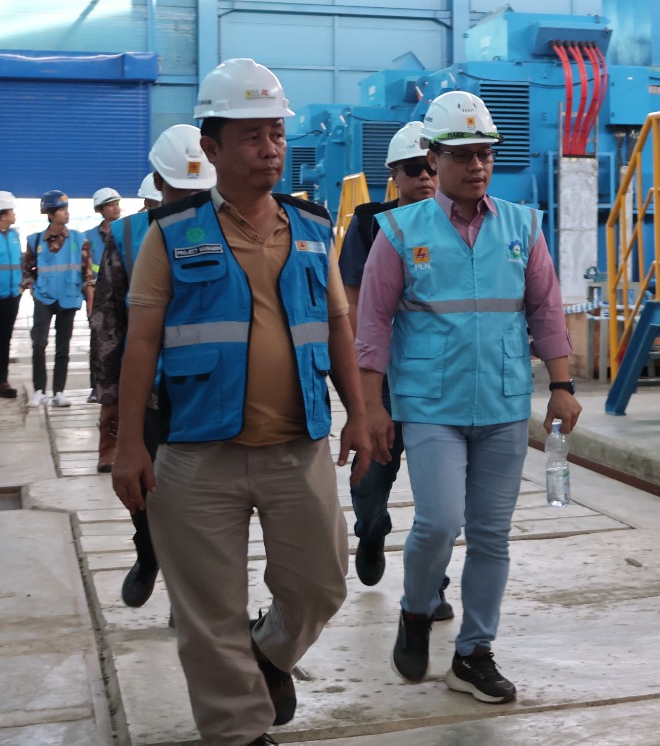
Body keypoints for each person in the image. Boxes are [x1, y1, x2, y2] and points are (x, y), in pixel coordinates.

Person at [111, 58, 382, 746]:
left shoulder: (314, 227)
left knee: (321, 583)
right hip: (198, 451)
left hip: (298, 445)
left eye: (277, 134)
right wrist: (129, 443)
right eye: (253, 136)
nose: (271, 149)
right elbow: (140, 344)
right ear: (212, 147)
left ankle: (267, 654)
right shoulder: (171, 234)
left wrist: (358, 412)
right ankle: (239, 731)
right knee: (209, 610)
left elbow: (339, 325)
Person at [357, 90, 578, 705]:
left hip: (503, 403)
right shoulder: (399, 230)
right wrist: (370, 407)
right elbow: (372, 324)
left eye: (485, 154)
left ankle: (473, 653)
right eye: (462, 155)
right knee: (439, 522)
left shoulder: (521, 225)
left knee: (490, 536)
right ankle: (416, 608)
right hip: (430, 405)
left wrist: (562, 385)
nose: (477, 165)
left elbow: (546, 309)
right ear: (433, 157)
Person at [93, 124, 215, 606]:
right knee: (141, 483)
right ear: (159, 186)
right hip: (147, 392)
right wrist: (111, 397)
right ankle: (147, 553)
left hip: (208, 389)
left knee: (206, 502)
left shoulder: (229, 228)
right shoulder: (127, 235)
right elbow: (107, 320)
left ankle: (191, 600)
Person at [339, 121, 451, 619]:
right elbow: (353, 305)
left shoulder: (460, 226)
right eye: (413, 169)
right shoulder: (370, 226)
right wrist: (364, 392)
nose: (425, 177)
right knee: (371, 477)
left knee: (441, 494)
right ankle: (371, 529)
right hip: (382, 380)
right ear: (394, 175)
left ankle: (432, 586)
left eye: (430, 168)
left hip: (436, 382)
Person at [22, 190, 93, 408]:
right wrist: (33, 289)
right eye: (62, 210)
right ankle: (39, 391)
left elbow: (87, 273)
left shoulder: (80, 240)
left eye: (66, 209)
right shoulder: (35, 241)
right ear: (50, 214)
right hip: (44, 298)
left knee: (63, 347)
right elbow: (27, 269)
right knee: (39, 344)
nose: (66, 213)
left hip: (69, 298)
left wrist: (90, 301)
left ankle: (59, 392)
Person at [88, 187, 122, 409]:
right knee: (98, 341)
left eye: (117, 203)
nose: (115, 208)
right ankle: (96, 388)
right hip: (97, 294)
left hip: (120, 292)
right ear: (100, 210)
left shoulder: (125, 231)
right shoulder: (88, 237)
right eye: (110, 205)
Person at [0, 191, 20, 399]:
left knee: (4, 340)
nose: (14, 214)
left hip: (12, 296)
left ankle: (1, 382)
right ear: (2, 214)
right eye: (11, 210)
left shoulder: (14, 235)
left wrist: (21, 287)